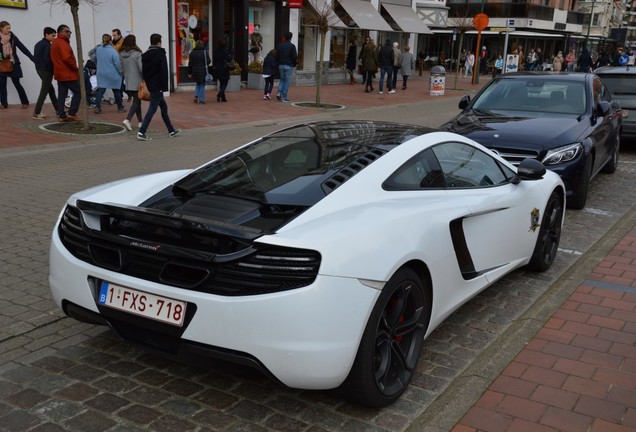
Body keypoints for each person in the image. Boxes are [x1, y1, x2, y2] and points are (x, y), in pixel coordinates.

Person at [137, 33, 180, 141]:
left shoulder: (145, 55)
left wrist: (148, 83)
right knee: (152, 109)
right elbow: (164, 71)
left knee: (164, 108)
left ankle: (171, 130)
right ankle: (142, 132)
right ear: (158, 43)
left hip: (151, 85)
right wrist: (163, 87)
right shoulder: (160, 54)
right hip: (158, 86)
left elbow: (144, 72)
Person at [0, 21, 34, 109]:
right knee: (2, 84)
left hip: (14, 63)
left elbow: (22, 48)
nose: (8, 30)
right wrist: (1, 59)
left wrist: (32, 58)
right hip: (2, 64)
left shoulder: (13, 38)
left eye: (9, 28)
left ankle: (25, 102)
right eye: (6, 28)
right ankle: (4, 103)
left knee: (17, 83)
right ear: (1, 28)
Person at [50, 24, 81, 122]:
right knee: (78, 92)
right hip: (68, 74)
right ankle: (72, 113)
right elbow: (67, 58)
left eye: (70, 32)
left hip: (59, 73)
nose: (69, 33)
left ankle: (62, 115)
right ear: (60, 32)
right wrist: (75, 68)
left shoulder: (55, 42)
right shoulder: (63, 43)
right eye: (67, 31)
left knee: (62, 95)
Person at [93, 34, 125, 114]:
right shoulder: (112, 50)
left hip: (101, 73)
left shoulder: (98, 49)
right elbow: (117, 63)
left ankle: (97, 107)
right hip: (112, 74)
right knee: (116, 91)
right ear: (110, 40)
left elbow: (95, 59)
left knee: (101, 91)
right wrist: (121, 72)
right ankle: (120, 107)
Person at [32, 26, 58, 119]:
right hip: (46, 70)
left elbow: (35, 58)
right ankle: (36, 112)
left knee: (51, 90)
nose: (54, 37)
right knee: (44, 91)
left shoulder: (38, 44)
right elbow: (48, 59)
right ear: (46, 34)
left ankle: (58, 110)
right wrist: (52, 70)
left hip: (39, 69)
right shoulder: (47, 45)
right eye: (53, 35)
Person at [119, 34, 143, 131]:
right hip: (137, 81)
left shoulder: (121, 54)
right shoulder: (137, 54)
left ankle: (141, 122)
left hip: (128, 81)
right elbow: (141, 68)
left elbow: (120, 70)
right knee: (137, 102)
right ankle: (128, 119)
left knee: (137, 101)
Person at [276, 31, 297, 102]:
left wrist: (278, 62)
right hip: (288, 65)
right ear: (291, 38)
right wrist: (294, 64)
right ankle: (284, 96)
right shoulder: (292, 46)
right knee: (287, 81)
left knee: (282, 79)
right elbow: (294, 57)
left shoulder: (279, 45)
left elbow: (277, 56)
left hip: (281, 65)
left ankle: (279, 92)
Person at [188, 39, 208, 104]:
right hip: (202, 71)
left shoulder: (192, 53)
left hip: (195, 71)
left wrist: (189, 72)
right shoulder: (204, 52)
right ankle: (201, 99)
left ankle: (196, 96)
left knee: (198, 83)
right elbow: (209, 61)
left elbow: (190, 64)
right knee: (202, 84)